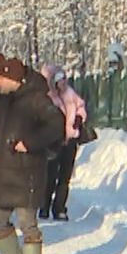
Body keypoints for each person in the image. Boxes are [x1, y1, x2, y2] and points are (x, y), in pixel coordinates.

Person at [0, 55, 66, 254]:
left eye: (2, 78)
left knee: (28, 223)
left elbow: (57, 124)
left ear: (14, 79)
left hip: (26, 172)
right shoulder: (7, 100)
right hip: (3, 172)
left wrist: (30, 142)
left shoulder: (37, 99)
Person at [41, 64, 87, 221]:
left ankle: (60, 207)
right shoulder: (48, 97)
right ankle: (45, 205)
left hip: (70, 140)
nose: (63, 83)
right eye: (59, 80)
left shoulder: (70, 94)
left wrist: (80, 118)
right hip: (54, 141)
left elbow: (80, 106)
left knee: (65, 176)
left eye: (64, 79)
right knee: (50, 176)